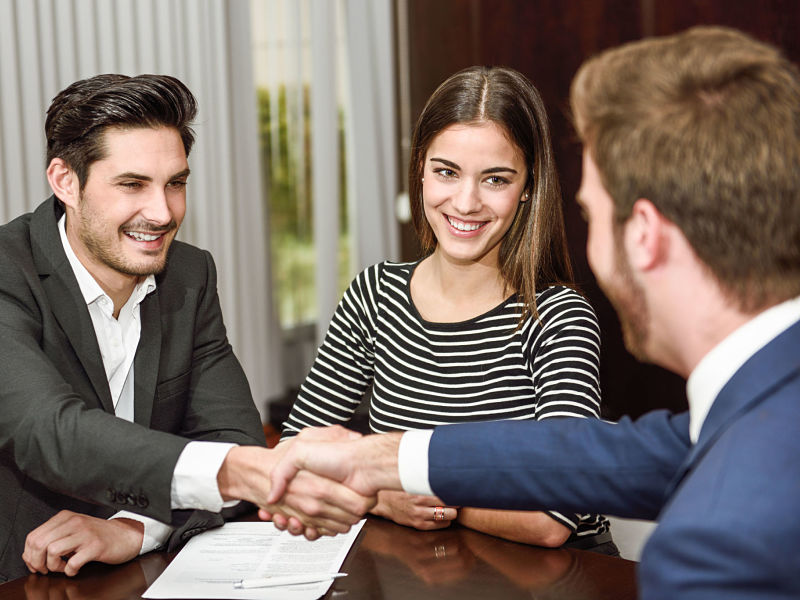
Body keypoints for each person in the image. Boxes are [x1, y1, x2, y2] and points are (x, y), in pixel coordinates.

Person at [267, 26, 800, 599]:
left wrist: (389, 480)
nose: (467, 200)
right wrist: (387, 466)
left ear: (642, 235)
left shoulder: (716, 547)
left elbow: (566, 503)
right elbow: (613, 455)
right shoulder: (750, 409)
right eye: (447, 171)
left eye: (590, 214)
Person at [0, 74, 372, 582]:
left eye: (175, 183)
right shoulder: (6, 273)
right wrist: (235, 471)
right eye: (132, 184)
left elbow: (233, 435)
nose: (162, 213)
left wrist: (135, 527)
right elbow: (47, 429)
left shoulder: (190, 274)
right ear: (65, 181)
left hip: (148, 570)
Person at [281, 66, 614, 552]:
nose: (466, 202)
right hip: (422, 574)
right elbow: (295, 454)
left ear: (527, 186)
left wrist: (428, 490)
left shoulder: (559, 316)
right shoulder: (374, 295)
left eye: (495, 179)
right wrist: (382, 499)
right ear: (420, 168)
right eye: (446, 172)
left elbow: (552, 517)